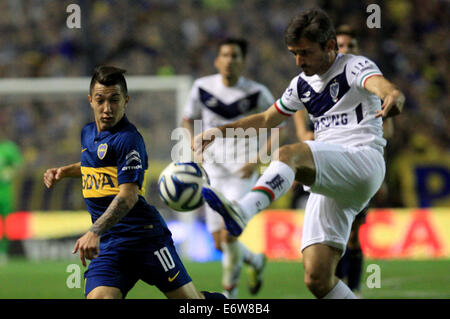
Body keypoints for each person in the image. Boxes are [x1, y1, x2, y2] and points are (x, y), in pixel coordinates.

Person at [194, 8, 404, 299]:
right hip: (330, 179)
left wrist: (393, 94)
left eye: (304, 52)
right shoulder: (300, 85)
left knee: (289, 153)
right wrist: (218, 131)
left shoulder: (354, 66)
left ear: (330, 46)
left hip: (362, 160)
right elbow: (267, 118)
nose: (298, 61)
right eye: (294, 52)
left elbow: (382, 86)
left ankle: (243, 211)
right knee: (317, 279)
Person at [43, 66, 225, 299]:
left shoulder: (129, 140)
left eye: (114, 100)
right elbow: (93, 166)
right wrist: (64, 171)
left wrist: (94, 231)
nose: (107, 108)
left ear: (126, 101)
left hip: (144, 238)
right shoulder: (87, 133)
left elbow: (128, 195)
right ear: (90, 100)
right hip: (110, 244)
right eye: (100, 100)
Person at [182, 38, 280, 298]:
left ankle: (230, 296)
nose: (229, 60)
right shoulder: (202, 87)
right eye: (225, 54)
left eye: (235, 55)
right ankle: (256, 262)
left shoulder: (257, 92)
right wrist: (193, 142)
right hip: (213, 172)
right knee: (219, 242)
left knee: (229, 234)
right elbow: (187, 119)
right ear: (217, 60)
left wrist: (258, 159)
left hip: (241, 171)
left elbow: (278, 127)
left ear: (242, 61)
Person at [0, 130, 23, 264]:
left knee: (5, 224)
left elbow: (19, 165)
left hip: (5, 193)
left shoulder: (9, 148)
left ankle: (2, 252)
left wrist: (9, 172)